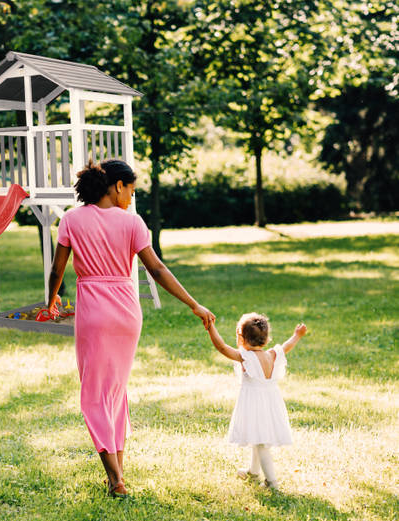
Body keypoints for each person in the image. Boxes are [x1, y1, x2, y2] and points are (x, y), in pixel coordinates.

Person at [47, 160, 214, 498]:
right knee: (115, 392)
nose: (131, 198)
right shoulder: (133, 223)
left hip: (93, 311)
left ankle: (115, 479)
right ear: (117, 186)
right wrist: (193, 303)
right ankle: (118, 472)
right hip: (126, 312)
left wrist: (50, 301)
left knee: (95, 394)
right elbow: (157, 268)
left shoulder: (71, 220)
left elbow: (57, 270)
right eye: (132, 191)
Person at [206, 312, 307, 490]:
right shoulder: (272, 354)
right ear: (266, 339)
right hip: (270, 403)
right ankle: (253, 472)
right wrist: (297, 335)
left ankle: (271, 482)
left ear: (242, 337)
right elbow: (287, 346)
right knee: (257, 436)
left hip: (255, 404)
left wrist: (210, 327)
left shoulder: (245, 357)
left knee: (261, 444)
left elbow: (222, 347)